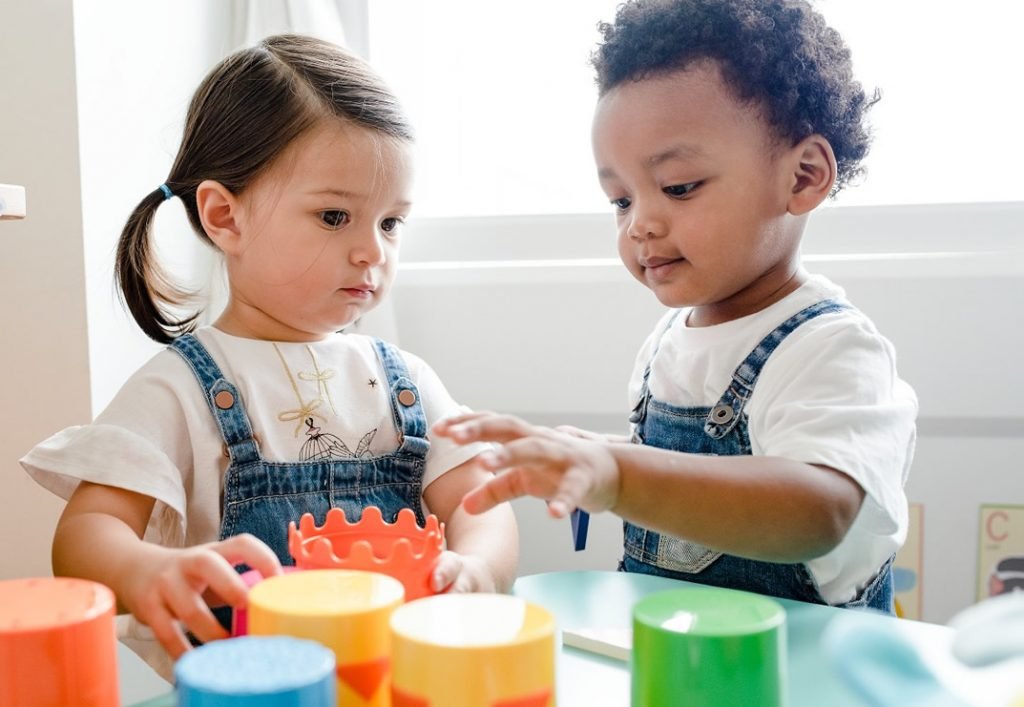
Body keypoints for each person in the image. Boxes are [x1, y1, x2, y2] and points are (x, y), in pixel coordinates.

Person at [21, 34, 517, 679]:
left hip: (390, 683)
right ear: (226, 217)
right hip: (246, 689)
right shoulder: (181, 387)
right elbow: (86, 537)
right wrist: (148, 570)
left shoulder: (404, 381)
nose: (374, 251)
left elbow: (481, 503)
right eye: (335, 217)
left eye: (391, 223)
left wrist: (478, 568)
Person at [434, 0, 916, 613]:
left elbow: (818, 509)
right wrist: (594, 456)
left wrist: (619, 473)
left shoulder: (831, 349)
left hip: (805, 670)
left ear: (801, 177)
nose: (640, 224)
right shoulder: (669, 339)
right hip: (683, 658)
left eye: (679, 187)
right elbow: (689, 472)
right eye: (619, 199)